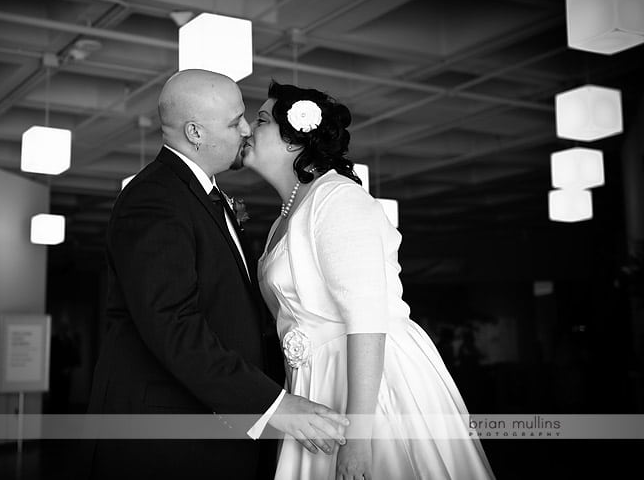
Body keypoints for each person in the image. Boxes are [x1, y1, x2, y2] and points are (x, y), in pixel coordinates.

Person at [85, 70, 350, 480]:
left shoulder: (201, 194)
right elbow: (172, 325)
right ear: (195, 132)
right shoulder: (154, 198)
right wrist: (274, 405)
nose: (247, 130)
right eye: (234, 121)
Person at [242, 80, 496, 480]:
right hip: (317, 382)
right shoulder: (284, 217)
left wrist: (359, 436)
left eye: (259, 120)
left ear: (294, 141)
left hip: (366, 381)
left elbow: (366, 318)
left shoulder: (337, 198)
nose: (246, 128)